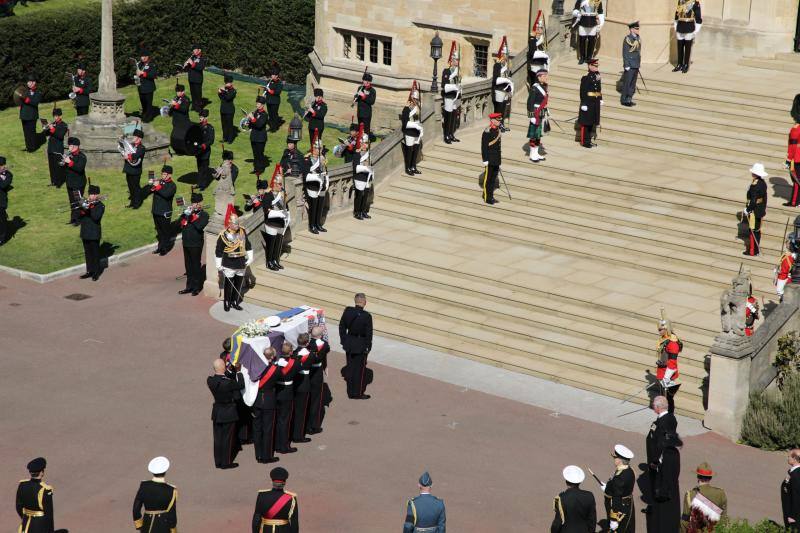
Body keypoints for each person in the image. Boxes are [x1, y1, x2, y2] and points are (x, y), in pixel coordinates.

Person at [207, 358, 245, 469]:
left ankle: (218, 461)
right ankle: (226, 462)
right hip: (228, 412)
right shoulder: (228, 382)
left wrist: (226, 371)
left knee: (218, 438)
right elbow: (241, 384)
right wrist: (238, 372)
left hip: (217, 411)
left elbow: (220, 379)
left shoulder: (210, 380)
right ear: (223, 368)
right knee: (227, 438)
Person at [644, 396, 678, 514]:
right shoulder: (670, 417)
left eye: (654, 405)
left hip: (659, 459)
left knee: (657, 483)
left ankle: (656, 509)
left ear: (658, 407)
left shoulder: (662, 422)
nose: (653, 406)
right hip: (664, 456)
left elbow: (661, 444)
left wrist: (655, 461)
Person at [215, 208, 253, 312]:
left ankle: (235, 301)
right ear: (229, 224)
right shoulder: (223, 235)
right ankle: (227, 301)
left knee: (238, 283)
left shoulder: (242, 231)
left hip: (241, 261)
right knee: (229, 284)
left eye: (237, 223)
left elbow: (247, 244)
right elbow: (218, 250)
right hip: (229, 262)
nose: (237, 225)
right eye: (235, 224)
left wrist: (250, 257)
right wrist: (218, 264)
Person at [340, 292, 373, 399]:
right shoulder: (367, 316)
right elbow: (369, 334)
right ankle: (357, 393)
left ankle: (350, 391)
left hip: (349, 343)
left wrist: (344, 340)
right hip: (360, 344)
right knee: (359, 370)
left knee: (350, 367)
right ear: (364, 302)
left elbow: (341, 326)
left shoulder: (348, 311)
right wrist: (368, 347)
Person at [132, 456, 178, 532]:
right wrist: (173, 529)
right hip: (163, 527)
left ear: (152, 472)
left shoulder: (144, 485)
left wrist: (139, 524)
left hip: (147, 525)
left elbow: (136, 508)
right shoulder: (171, 490)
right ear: (165, 471)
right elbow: (172, 514)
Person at [140, 165, 177, 255]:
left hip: (165, 212)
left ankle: (165, 248)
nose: (163, 176)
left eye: (164, 174)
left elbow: (166, 194)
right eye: (162, 174)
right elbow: (148, 191)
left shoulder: (172, 185)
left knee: (165, 231)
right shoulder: (159, 182)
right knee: (159, 231)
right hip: (156, 211)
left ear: (169, 175)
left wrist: (158, 186)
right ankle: (160, 247)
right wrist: (151, 184)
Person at [253, 347, 281, 464]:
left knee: (257, 429)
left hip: (257, 400)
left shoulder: (256, 367)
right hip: (269, 401)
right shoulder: (276, 369)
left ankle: (258, 455)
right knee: (268, 429)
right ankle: (267, 456)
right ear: (272, 356)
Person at [680, 462, 727, 532]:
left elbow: (685, 522)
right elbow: (723, 520)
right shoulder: (721, 494)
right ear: (710, 478)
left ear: (698, 477)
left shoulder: (690, 495)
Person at [251, 467, 299, 533]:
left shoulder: (262, 495)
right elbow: (294, 523)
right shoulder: (291, 498)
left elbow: (256, 520)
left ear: (272, 481)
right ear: (284, 483)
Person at [179, 191, 209, 295]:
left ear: (200, 203)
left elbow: (199, 226)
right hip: (186, 242)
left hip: (196, 243)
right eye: (193, 203)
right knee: (188, 266)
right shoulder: (187, 213)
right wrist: (185, 215)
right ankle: (189, 286)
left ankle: (197, 287)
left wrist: (192, 216)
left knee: (196, 265)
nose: (194, 205)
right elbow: (181, 225)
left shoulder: (204, 215)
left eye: (196, 203)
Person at [551, 465, 596, 532]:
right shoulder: (589, 496)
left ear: (566, 481)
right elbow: (592, 520)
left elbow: (557, 523)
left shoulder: (561, 498)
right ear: (579, 482)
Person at [601, 444, 635, 533]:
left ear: (620, 460)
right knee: (627, 527)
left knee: (620, 530)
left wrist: (613, 519)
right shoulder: (630, 470)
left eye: (615, 457)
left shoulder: (619, 477)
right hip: (628, 504)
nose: (614, 459)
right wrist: (608, 487)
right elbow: (622, 488)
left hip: (620, 509)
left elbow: (616, 498)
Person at [16, 457, 54, 533]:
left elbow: (18, 506)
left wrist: (25, 517)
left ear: (30, 472)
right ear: (42, 472)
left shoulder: (22, 485)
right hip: (39, 526)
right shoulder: (45, 489)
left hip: (25, 524)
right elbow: (49, 516)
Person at [77, 184, 104, 281]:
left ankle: (96, 272)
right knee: (87, 253)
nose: (91, 196)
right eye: (90, 194)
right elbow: (79, 216)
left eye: (93, 194)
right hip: (85, 231)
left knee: (95, 253)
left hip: (94, 233)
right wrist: (82, 207)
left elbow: (96, 217)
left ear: (97, 195)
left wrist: (90, 208)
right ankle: (89, 271)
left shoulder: (100, 205)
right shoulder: (86, 203)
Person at [275, 342, 299, 454]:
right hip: (287, 393)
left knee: (278, 419)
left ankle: (277, 444)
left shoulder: (275, 363)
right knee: (285, 420)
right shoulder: (294, 363)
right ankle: (284, 446)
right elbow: (298, 368)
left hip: (277, 392)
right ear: (290, 352)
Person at [303, 133, 329, 234]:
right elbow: (306, 176)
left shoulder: (322, 158)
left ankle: (318, 224)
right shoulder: (307, 159)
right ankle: (312, 225)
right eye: (318, 148)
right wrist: (317, 177)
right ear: (313, 149)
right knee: (313, 207)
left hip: (322, 186)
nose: (320, 150)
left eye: (321, 148)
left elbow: (325, 171)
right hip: (313, 186)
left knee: (320, 206)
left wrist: (326, 182)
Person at [291, 335, 315, 444]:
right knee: (302, 411)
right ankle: (298, 436)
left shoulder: (294, 353)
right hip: (304, 383)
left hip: (294, 382)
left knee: (294, 410)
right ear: (307, 343)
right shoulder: (310, 355)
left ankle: (292, 432)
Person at [306, 326, 330, 435]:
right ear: (321, 335)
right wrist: (325, 367)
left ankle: (305, 425)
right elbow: (325, 353)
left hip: (307, 373)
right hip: (316, 374)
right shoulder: (324, 345)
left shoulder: (307, 344)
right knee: (316, 401)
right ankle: (314, 425)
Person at [656, 318, 682, 413]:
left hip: (668, 374)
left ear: (666, 329)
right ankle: (663, 413)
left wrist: (666, 377)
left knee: (668, 398)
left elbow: (672, 362)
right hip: (662, 371)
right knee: (663, 396)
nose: (659, 331)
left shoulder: (672, 343)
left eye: (660, 329)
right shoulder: (664, 339)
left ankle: (669, 414)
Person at [743, 162, 768, 256]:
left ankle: (752, 251)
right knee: (757, 230)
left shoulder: (755, 185)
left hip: (754, 210)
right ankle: (756, 250)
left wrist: (748, 209)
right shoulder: (763, 183)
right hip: (760, 209)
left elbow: (753, 201)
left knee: (752, 231)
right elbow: (764, 198)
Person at [578, 59, 602, 149]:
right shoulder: (586, 77)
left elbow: (598, 88)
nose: (596, 67)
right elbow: (583, 91)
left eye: (597, 66)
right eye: (595, 66)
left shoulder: (597, 75)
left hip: (594, 103)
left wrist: (600, 98)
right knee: (586, 123)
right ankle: (585, 141)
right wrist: (583, 103)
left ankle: (589, 140)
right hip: (587, 103)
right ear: (589, 66)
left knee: (591, 122)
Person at [64, 137, 87, 225]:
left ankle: (78, 219)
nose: (69, 147)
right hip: (70, 182)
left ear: (76, 146)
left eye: (70, 146)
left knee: (77, 201)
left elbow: (79, 168)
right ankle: (73, 219)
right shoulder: (70, 155)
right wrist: (64, 162)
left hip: (78, 183)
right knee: (72, 201)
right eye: (69, 146)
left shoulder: (82, 157)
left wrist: (69, 162)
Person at [441, 42, 462, 144]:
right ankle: (446, 135)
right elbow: (444, 86)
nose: (457, 62)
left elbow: (459, 84)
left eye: (458, 60)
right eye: (456, 60)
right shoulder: (446, 71)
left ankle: (451, 134)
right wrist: (452, 76)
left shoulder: (458, 72)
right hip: (449, 97)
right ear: (452, 60)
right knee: (448, 116)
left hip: (456, 97)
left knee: (454, 116)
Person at [673, 0, 702, 73]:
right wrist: (675, 25)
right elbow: (677, 13)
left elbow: (698, 17)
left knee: (687, 48)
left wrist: (696, 31)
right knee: (680, 47)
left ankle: (686, 65)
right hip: (680, 26)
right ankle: (679, 64)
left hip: (689, 27)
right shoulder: (680, 1)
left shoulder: (695, 3)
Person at [401, 83, 423, 176]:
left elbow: (418, 120)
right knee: (409, 150)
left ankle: (413, 166)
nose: (416, 101)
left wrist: (421, 129)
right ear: (411, 98)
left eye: (417, 99)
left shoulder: (418, 107)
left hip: (417, 132)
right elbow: (405, 123)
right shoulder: (407, 109)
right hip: (409, 132)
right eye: (415, 99)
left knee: (416, 150)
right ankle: (408, 168)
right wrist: (415, 125)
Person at [573, 0, 605, 64]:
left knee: (592, 42)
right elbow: (575, 10)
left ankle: (589, 57)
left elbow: (600, 12)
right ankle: (582, 57)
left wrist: (601, 24)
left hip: (593, 24)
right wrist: (577, 14)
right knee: (582, 41)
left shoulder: (597, 0)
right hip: (582, 23)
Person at [352, 126, 374, 220]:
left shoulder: (368, 154)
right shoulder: (357, 154)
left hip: (367, 177)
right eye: (363, 143)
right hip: (359, 177)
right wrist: (366, 169)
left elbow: (370, 165)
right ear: (360, 144)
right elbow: (356, 168)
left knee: (366, 195)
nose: (365, 145)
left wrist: (371, 174)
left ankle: (363, 211)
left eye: (366, 143)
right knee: (359, 195)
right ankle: (357, 212)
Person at [481, 113, 503, 205]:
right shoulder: (487, 131)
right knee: (488, 179)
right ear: (492, 120)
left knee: (493, 179)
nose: (499, 122)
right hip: (489, 159)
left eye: (500, 120)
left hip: (496, 159)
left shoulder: (498, 130)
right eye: (497, 120)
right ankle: (487, 198)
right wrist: (485, 159)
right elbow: (484, 147)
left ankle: (491, 196)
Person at [491, 40, 514, 130]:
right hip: (499, 89)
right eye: (504, 54)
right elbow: (496, 79)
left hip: (505, 90)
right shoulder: (497, 65)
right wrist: (506, 79)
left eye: (506, 54)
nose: (506, 56)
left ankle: (501, 124)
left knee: (504, 108)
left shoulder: (507, 65)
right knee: (498, 109)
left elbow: (509, 77)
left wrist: (510, 88)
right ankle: (495, 126)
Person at [527, 70, 549, 163]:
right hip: (536, 113)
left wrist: (546, 110)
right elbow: (530, 102)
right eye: (544, 76)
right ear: (539, 77)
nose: (546, 77)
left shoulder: (544, 86)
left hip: (541, 113)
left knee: (538, 135)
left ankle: (536, 153)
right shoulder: (535, 88)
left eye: (546, 76)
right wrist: (531, 115)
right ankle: (532, 154)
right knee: (534, 135)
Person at [43, 107, 68, 188]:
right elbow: (47, 134)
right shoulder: (53, 123)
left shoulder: (64, 125)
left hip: (57, 148)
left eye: (56, 116)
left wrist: (52, 128)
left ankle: (59, 182)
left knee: (58, 167)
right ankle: (53, 181)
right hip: (51, 148)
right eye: (54, 116)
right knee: (52, 166)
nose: (55, 117)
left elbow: (60, 136)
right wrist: (45, 128)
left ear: (60, 116)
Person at [122, 128, 145, 208]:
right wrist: (122, 141)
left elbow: (136, 155)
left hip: (136, 171)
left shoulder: (142, 148)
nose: (133, 138)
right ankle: (132, 203)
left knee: (136, 187)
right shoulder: (131, 145)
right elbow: (124, 148)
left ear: (139, 139)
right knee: (130, 187)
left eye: (135, 137)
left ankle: (137, 203)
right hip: (129, 169)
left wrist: (128, 156)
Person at [19, 73, 41, 152]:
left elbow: (36, 102)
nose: (28, 83)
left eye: (30, 82)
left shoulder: (38, 92)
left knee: (31, 132)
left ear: (34, 82)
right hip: (24, 115)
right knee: (26, 132)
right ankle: (28, 146)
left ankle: (32, 147)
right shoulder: (25, 91)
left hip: (32, 115)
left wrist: (28, 101)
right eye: (28, 82)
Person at [621, 21, 641, 107]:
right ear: (631, 29)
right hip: (630, 64)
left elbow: (638, 52)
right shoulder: (627, 39)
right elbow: (625, 53)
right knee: (627, 83)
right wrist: (626, 65)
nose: (638, 30)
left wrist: (638, 63)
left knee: (633, 84)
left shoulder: (638, 38)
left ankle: (629, 98)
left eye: (638, 28)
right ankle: (624, 99)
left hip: (636, 64)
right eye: (636, 29)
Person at [247, 96, 269, 174]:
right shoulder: (256, 112)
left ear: (262, 105)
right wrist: (248, 121)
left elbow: (259, 125)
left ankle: (260, 169)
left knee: (259, 154)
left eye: (258, 104)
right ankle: (256, 168)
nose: (257, 105)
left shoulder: (264, 114)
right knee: (255, 154)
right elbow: (253, 124)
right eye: (257, 103)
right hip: (254, 136)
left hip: (260, 138)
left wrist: (252, 118)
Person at [135, 49, 158, 122]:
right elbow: (137, 72)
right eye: (142, 56)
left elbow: (153, 75)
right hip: (141, 87)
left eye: (145, 56)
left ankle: (149, 117)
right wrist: (137, 73)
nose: (143, 58)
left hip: (148, 87)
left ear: (148, 57)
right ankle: (144, 115)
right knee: (143, 103)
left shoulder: (152, 64)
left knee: (148, 103)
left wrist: (143, 73)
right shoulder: (139, 64)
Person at [196, 109, 215, 190]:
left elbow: (211, 140)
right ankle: (199, 183)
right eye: (200, 117)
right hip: (198, 151)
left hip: (205, 152)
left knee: (204, 169)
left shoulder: (210, 128)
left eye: (201, 117)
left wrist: (204, 145)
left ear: (205, 118)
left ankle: (203, 185)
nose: (200, 118)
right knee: (199, 168)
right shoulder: (198, 126)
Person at [528, 19, 550, 85]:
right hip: (534, 65)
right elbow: (532, 50)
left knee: (541, 83)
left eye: (540, 28)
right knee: (535, 83)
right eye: (537, 29)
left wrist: (533, 37)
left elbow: (539, 44)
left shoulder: (542, 38)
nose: (538, 31)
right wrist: (532, 38)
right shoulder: (534, 39)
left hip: (541, 63)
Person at [184, 44, 206, 112]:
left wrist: (192, 63)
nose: (193, 51)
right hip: (191, 78)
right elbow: (187, 68)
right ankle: (194, 106)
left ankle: (199, 108)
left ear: (199, 50)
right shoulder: (192, 57)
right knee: (192, 93)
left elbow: (200, 67)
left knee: (198, 94)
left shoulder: (202, 58)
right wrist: (186, 65)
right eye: (193, 50)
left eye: (195, 50)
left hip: (197, 79)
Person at [783, 449, 800, 531]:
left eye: (789, 456)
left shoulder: (796, 475)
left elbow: (797, 496)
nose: (787, 458)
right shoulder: (794, 471)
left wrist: (793, 516)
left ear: (795, 459)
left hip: (793, 514)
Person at [264, 63, 284, 132]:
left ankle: (275, 128)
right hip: (268, 100)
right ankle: (271, 126)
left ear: (276, 76)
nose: (271, 76)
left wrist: (269, 90)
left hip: (275, 101)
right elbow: (267, 89)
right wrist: (265, 89)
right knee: (270, 114)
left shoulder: (280, 83)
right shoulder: (270, 81)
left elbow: (277, 92)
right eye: (271, 75)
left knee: (274, 114)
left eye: (273, 75)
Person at [218, 74, 238, 144]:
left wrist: (223, 91)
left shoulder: (233, 90)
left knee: (229, 125)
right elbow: (221, 98)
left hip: (229, 110)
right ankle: (225, 137)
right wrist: (219, 92)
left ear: (231, 83)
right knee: (224, 125)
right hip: (223, 109)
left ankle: (230, 139)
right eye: (226, 83)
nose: (226, 84)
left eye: (227, 83)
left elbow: (228, 97)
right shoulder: (225, 89)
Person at [787, 108, 800, 207]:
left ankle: (794, 201)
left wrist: (788, 159)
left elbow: (793, 146)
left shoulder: (796, 129)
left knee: (796, 180)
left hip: (796, 157)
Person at [0, 156, 12, 246]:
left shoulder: (8, 175)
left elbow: (3, 185)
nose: (2, 167)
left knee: (1, 221)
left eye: (2, 165)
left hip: (1, 201)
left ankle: (2, 239)